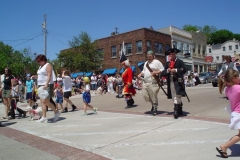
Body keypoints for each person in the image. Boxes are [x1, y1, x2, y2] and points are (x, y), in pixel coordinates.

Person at [216, 69, 240, 158]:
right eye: (237, 77)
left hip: (235, 113)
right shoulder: (238, 88)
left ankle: (225, 146)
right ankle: (225, 146)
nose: (239, 78)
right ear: (233, 78)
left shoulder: (227, 89)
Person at [161, 48, 187, 119]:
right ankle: (179, 108)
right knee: (173, 95)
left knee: (178, 95)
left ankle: (175, 110)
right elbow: (163, 73)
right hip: (171, 82)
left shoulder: (180, 61)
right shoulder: (168, 63)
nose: (171, 55)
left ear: (175, 54)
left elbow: (184, 69)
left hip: (178, 81)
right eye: (170, 54)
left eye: (173, 54)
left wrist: (175, 70)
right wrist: (168, 70)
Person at [35, 54, 61, 123]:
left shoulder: (48, 65)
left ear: (43, 60)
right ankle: (44, 117)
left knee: (45, 101)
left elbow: (49, 75)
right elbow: (40, 76)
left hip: (47, 85)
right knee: (42, 102)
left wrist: (46, 83)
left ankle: (56, 112)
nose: (38, 62)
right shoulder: (40, 67)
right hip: (40, 85)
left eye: (39, 61)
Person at [137, 50, 164, 115]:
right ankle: (153, 104)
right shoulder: (146, 63)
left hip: (153, 82)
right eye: (148, 55)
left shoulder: (157, 62)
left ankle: (155, 107)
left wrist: (155, 72)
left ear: (153, 56)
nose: (149, 57)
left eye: (150, 55)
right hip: (145, 82)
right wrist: (140, 74)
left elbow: (162, 69)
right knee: (145, 95)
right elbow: (144, 71)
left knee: (153, 94)